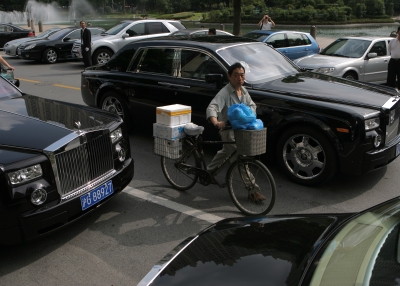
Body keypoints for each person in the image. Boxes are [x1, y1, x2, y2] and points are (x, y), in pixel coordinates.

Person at [206, 62, 266, 202]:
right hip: (227, 131)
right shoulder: (225, 93)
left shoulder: (243, 91)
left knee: (226, 152)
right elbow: (212, 107)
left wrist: (245, 114)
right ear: (229, 76)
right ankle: (253, 190)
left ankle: (209, 172)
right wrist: (216, 122)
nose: (239, 78)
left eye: (242, 75)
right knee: (239, 158)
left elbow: (252, 106)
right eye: (236, 75)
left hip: (240, 130)